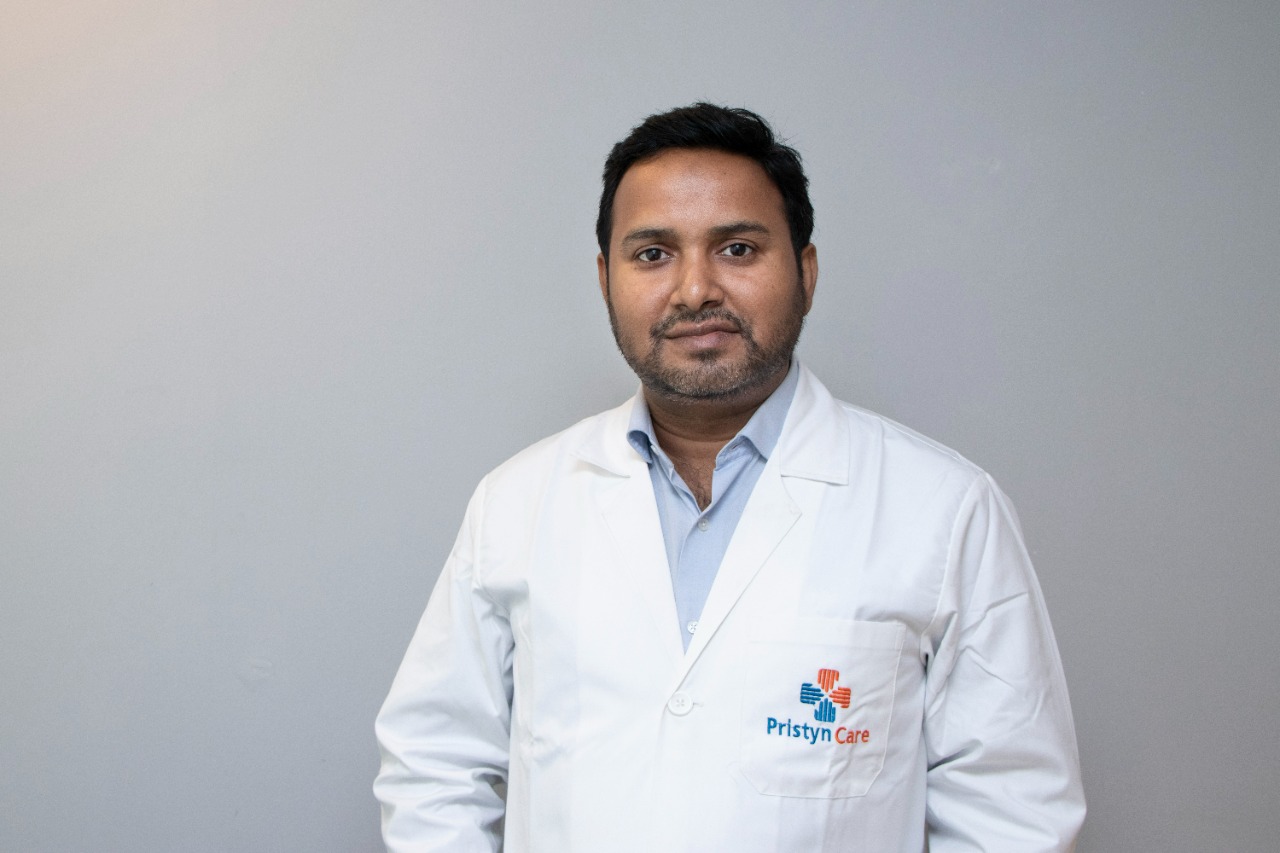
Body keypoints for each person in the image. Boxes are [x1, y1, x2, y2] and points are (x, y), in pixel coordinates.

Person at [374, 103, 1085, 852]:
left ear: (805, 271)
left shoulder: (944, 510)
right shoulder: (517, 502)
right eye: (653, 254)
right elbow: (433, 764)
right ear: (606, 279)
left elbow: (1014, 813)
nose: (694, 290)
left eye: (738, 249)